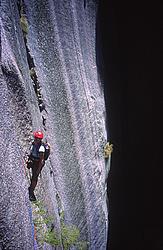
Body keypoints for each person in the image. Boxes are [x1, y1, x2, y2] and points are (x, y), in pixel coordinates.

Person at [27, 131, 45, 201]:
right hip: (33, 161)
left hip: (37, 164)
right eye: (36, 138)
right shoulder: (34, 143)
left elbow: (41, 161)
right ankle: (31, 189)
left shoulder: (41, 149)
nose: (36, 139)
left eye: (37, 138)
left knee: (34, 177)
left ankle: (31, 192)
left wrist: (38, 170)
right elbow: (31, 152)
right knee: (33, 176)